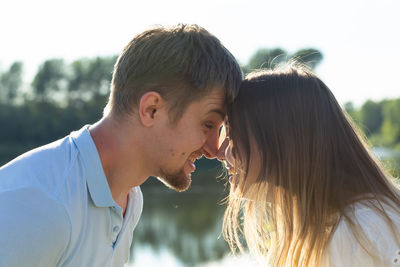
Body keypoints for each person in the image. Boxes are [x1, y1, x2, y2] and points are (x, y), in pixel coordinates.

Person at [0, 24, 242, 266]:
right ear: (151, 110)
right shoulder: (40, 204)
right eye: (208, 124)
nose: (214, 150)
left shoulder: (130, 199)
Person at [218, 64, 400, 267]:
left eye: (233, 136)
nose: (222, 152)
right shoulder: (339, 228)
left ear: (281, 140)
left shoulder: (360, 234)